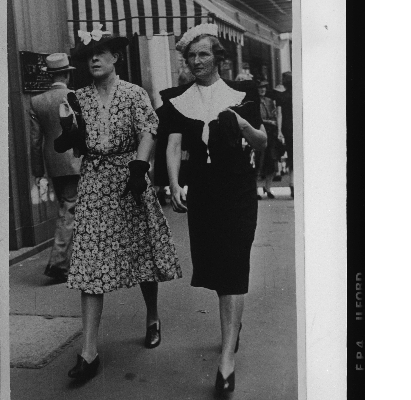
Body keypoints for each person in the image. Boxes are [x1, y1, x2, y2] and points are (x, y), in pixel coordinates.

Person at [55, 26, 181, 382]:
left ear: (116, 57)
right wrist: (69, 131)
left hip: (130, 179)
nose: (94, 59)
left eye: (102, 52)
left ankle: (153, 315)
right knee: (90, 263)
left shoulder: (133, 93)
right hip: (95, 183)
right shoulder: (77, 97)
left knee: (141, 254)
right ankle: (89, 352)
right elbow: (74, 142)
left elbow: (149, 131)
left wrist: (140, 166)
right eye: (88, 54)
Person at [158, 25, 268, 394]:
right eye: (191, 55)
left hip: (236, 189)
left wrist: (240, 123)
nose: (197, 61)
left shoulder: (242, 93)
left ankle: (226, 361)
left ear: (217, 57)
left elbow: (262, 140)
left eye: (204, 54)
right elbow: (173, 145)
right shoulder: (176, 100)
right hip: (202, 192)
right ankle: (232, 331)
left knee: (233, 264)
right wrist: (173, 182)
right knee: (216, 265)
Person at [27, 52, 83, 281]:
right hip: (77, 162)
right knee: (69, 211)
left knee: (68, 208)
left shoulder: (36, 101)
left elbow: (35, 142)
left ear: (51, 75)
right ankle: (59, 263)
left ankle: (72, 260)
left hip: (53, 165)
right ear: (67, 75)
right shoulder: (74, 96)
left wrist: (39, 171)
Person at [254, 79, 284, 199]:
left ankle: (268, 187)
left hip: (271, 133)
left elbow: (275, 116)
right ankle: (256, 190)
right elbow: (257, 118)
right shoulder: (254, 102)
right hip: (260, 132)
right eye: (260, 87)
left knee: (271, 161)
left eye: (264, 87)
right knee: (258, 162)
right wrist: (268, 121)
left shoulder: (270, 101)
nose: (262, 89)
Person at [265, 71, 293, 197]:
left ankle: (292, 184)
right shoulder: (298, 94)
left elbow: (280, 114)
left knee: (291, 154)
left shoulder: (282, 96)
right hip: (298, 126)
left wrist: (280, 130)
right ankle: (294, 183)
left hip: (288, 127)